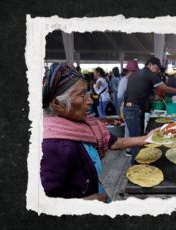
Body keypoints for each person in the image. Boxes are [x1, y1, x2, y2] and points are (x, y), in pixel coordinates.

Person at [41, 63, 157, 201]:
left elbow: (112, 142)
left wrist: (146, 139)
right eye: (81, 95)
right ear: (57, 104)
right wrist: (86, 201)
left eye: (87, 93)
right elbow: (42, 203)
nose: (90, 101)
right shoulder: (51, 146)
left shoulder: (81, 124)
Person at [123, 56, 176, 158]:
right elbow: (166, 89)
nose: (157, 71)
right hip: (134, 110)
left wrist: (153, 97)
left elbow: (140, 91)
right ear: (150, 64)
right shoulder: (149, 74)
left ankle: (137, 162)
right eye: (156, 68)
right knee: (137, 139)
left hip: (130, 109)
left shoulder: (137, 73)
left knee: (137, 137)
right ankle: (136, 166)